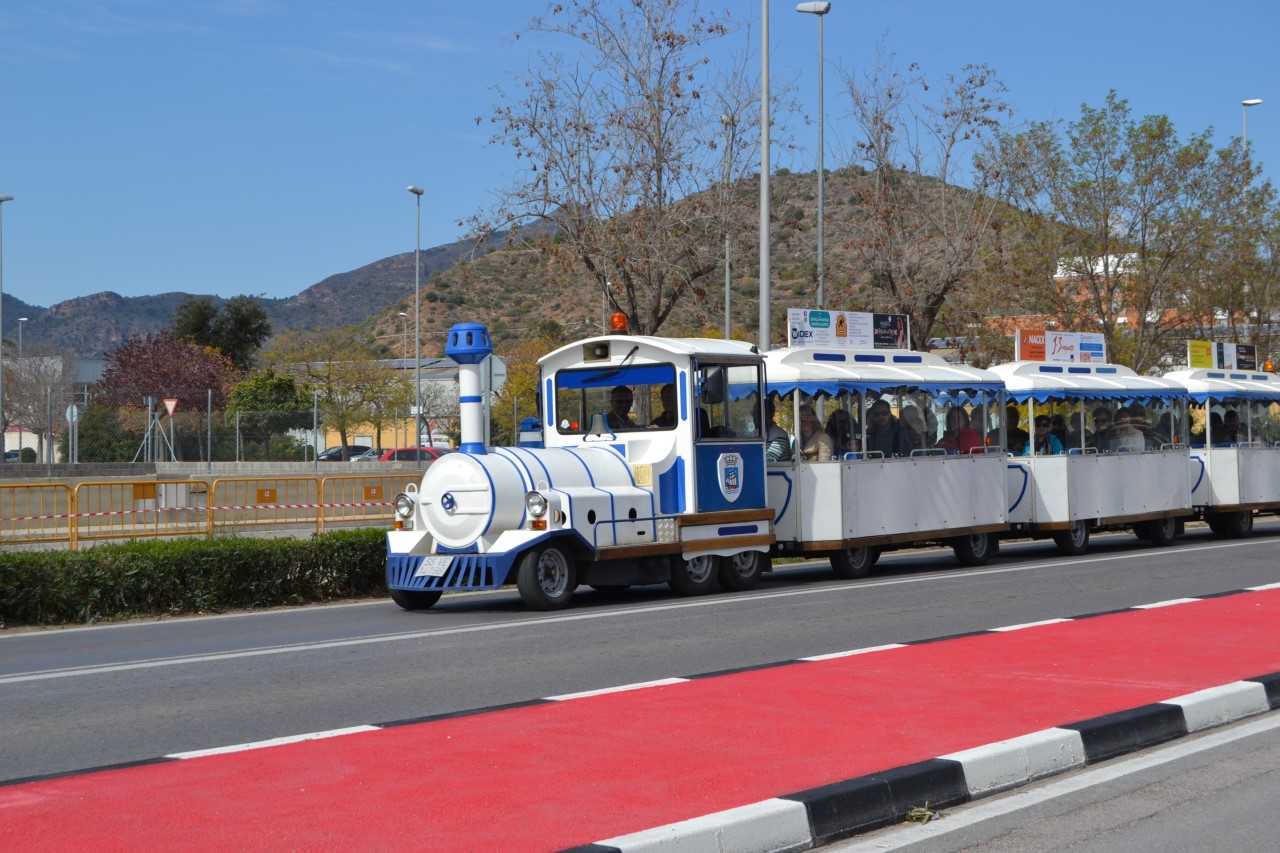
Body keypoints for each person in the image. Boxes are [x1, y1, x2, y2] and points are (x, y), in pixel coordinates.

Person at [765, 397, 792, 462]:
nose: (753, 416)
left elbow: (769, 460)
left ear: (767, 415)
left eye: (756, 413)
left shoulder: (779, 435)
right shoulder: (758, 433)